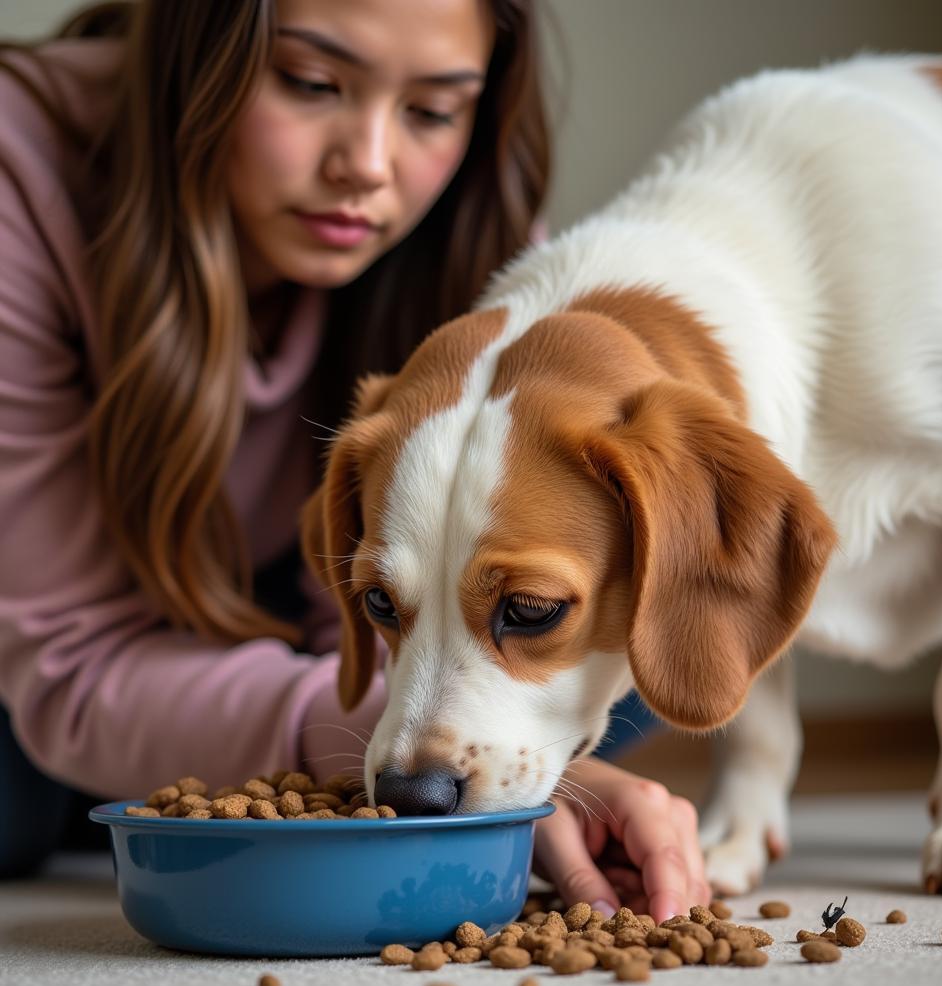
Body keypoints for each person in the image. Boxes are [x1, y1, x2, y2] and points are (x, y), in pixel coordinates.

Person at [0, 0, 709, 919]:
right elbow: (71, 657)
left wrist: (474, 750)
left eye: (432, 111)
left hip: (300, 618)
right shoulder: (22, 172)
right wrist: (372, 732)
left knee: (641, 654)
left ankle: (169, 751)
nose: (368, 166)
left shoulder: (476, 238)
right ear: (197, 42)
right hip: (35, 631)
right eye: (311, 83)